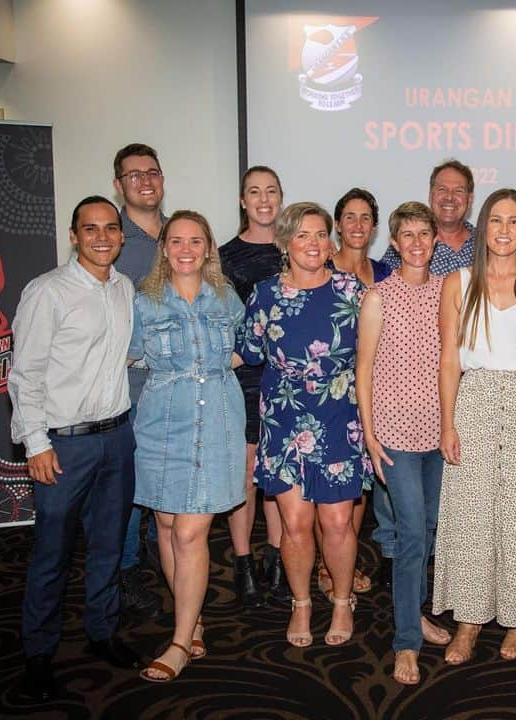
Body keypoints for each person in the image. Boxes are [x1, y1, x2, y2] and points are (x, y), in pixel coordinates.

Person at [9, 196, 141, 702]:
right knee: (52, 553)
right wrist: (35, 443)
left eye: (110, 228)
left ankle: (102, 632)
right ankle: (38, 652)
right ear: (74, 235)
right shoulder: (48, 292)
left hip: (117, 437)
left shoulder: (125, 288)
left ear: (122, 236)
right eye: (91, 229)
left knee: (109, 545)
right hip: (64, 445)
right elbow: (25, 376)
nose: (103, 237)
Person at [432, 189, 516, 664]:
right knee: (471, 516)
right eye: (495, 221)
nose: (504, 231)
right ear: (483, 227)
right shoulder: (458, 282)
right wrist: (447, 423)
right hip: (475, 401)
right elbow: (449, 360)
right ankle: (469, 622)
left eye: (513, 222)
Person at [239, 202, 371, 647]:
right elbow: (244, 352)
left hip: (339, 417)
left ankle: (339, 600)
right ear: (285, 242)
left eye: (320, 235)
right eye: (302, 235)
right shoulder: (264, 295)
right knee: (294, 523)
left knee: (336, 523)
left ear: (330, 242)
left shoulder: (354, 290)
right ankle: (301, 604)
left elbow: (380, 353)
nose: (313, 244)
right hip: (284, 418)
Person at [130, 210, 247, 682]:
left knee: (189, 532)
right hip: (161, 423)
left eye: (194, 241)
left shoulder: (226, 297)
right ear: (164, 248)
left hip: (216, 422)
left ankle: (179, 643)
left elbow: (245, 346)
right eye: (175, 240)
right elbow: (129, 358)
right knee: (165, 521)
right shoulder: (142, 302)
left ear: (207, 248)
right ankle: (191, 617)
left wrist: (216, 375)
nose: (184, 249)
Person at [357, 201, 453, 685]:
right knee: (412, 533)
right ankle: (406, 643)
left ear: (435, 239)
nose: (416, 242)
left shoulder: (448, 292)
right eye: (407, 235)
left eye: (424, 234)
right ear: (393, 243)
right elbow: (364, 369)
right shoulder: (378, 296)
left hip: (440, 433)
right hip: (393, 435)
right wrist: (369, 437)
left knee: (430, 529)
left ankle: (415, 614)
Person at [219, 165, 290, 607]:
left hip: (288, 378)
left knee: (279, 475)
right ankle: (244, 564)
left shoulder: (299, 247)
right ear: (243, 200)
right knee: (246, 473)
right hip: (243, 376)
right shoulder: (223, 256)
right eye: (254, 192)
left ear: (281, 197)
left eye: (271, 191)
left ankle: (277, 560)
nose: (263, 199)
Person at [320, 187, 393, 594]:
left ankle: (340, 561)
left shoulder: (384, 274)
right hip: (331, 393)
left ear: (375, 226)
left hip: (373, 390)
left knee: (360, 483)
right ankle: (326, 568)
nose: (358, 225)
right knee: (330, 489)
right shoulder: (322, 270)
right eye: (350, 217)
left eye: (366, 218)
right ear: (337, 223)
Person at [112, 142, 168, 620]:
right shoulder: (112, 240)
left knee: (160, 475)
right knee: (127, 483)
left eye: (152, 172)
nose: (145, 181)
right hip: (128, 385)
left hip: (173, 385)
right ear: (119, 185)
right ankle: (124, 571)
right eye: (134, 175)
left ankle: (143, 547)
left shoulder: (180, 235)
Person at [381, 159, 476, 276]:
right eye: (442, 189)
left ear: (470, 199)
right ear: (430, 195)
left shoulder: (485, 243)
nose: (450, 197)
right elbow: (382, 286)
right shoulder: (406, 244)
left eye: (458, 191)